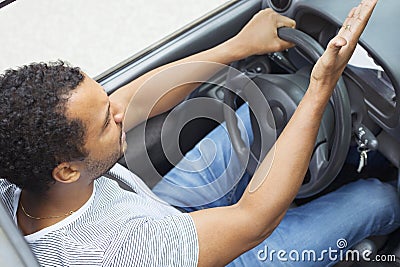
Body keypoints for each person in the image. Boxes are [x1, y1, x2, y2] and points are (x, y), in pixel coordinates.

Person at [0, 0, 398, 266]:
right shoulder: (117, 250)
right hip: (203, 251)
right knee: (376, 200)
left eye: (107, 105)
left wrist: (238, 46)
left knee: (256, 118)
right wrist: (319, 87)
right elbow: (253, 220)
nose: (119, 113)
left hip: (161, 215)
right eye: (106, 123)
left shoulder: (15, 182)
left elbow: (127, 102)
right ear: (66, 171)